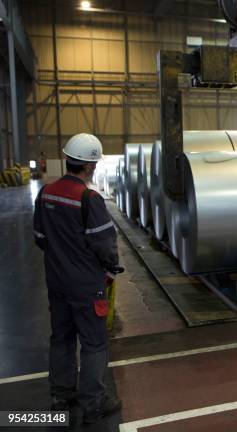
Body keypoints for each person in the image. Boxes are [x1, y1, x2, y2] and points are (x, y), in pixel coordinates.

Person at [33, 133, 122, 424]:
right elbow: (106, 245)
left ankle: (61, 397)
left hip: (57, 283)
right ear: (89, 167)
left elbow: (40, 238)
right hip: (86, 286)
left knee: (61, 338)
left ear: (68, 159)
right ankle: (93, 404)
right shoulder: (89, 199)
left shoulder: (45, 193)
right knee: (95, 344)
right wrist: (110, 270)